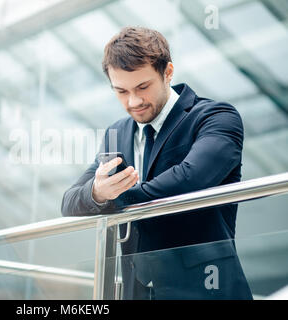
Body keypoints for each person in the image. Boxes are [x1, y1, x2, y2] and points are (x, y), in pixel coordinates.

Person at [61, 27, 253, 300]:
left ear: (168, 72)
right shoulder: (116, 133)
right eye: (121, 91)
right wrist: (98, 193)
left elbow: (189, 179)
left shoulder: (216, 117)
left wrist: (115, 199)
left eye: (143, 87)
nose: (134, 101)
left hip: (206, 289)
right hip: (136, 290)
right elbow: (70, 201)